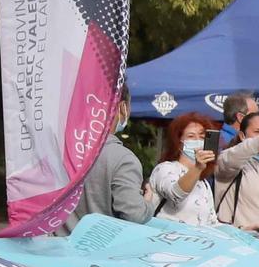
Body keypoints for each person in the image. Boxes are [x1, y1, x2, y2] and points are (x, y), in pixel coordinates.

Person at [66, 83, 151, 229]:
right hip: (101, 249)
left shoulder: (61, 149)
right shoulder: (123, 160)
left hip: (54, 247)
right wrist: (148, 201)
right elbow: (135, 215)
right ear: (123, 107)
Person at [148, 112, 221, 226]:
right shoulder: (165, 169)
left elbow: (212, 222)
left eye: (202, 137)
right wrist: (197, 168)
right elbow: (175, 194)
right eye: (191, 136)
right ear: (178, 142)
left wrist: (238, 232)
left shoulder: (203, 183)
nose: (198, 141)